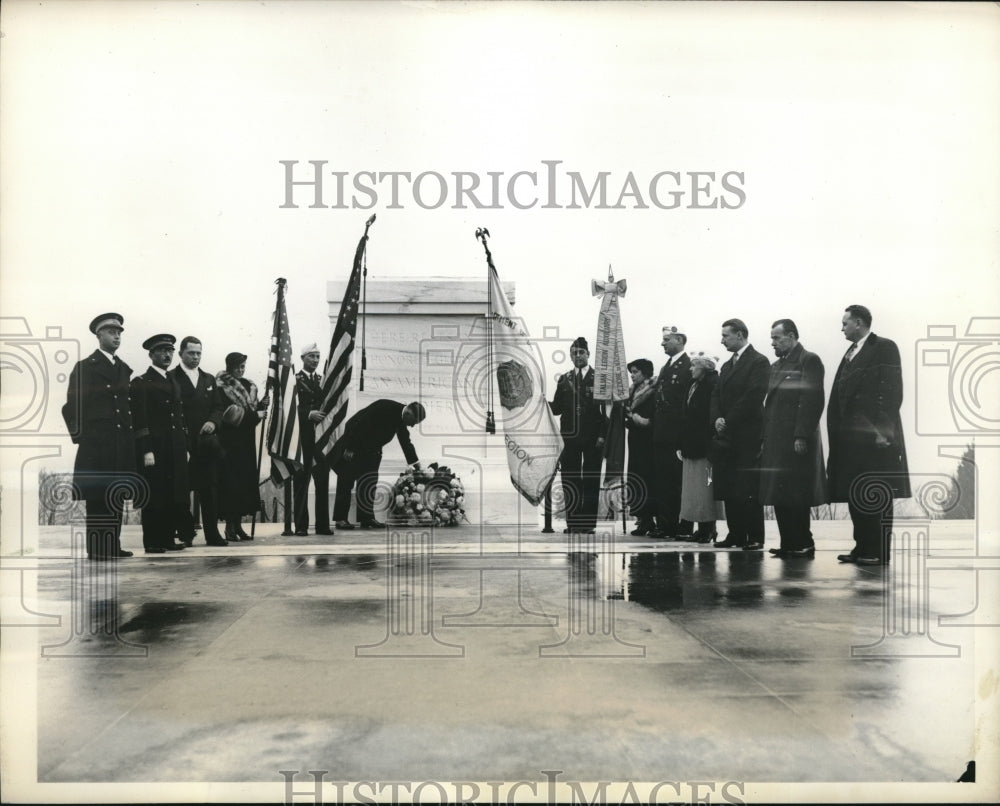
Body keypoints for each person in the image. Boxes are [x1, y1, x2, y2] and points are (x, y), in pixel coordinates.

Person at [827, 304, 910, 565]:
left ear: (859, 323)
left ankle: (877, 551)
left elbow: (892, 391)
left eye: (845, 323)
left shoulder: (884, 347)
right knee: (856, 494)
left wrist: (883, 431)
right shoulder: (850, 352)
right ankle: (862, 547)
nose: (841, 328)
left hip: (875, 440)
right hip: (851, 441)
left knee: (875, 493)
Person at [61, 313, 136, 560]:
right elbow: (71, 407)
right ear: (99, 335)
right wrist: (84, 438)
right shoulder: (85, 367)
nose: (117, 335)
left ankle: (113, 545)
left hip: (120, 442)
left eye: (119, 332)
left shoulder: (124, 369)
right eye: (111, 331)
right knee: (97, 497)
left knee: (115, 494)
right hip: (96, 444)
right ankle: (97, 549)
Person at [759, 320, 827, 558]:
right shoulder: (776, 365)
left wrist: (801, 434)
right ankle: (788, 542)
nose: (773, 342)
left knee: (797, 492)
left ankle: (803, 542)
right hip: (776, 441)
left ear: (791, 336)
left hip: (796, 439)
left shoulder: (808, 360)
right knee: (780, 493)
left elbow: (812, 399)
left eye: (776, 338)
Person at [711, 318, 770, 550]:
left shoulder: (759, 362)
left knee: (748, 488)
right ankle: (735, 534)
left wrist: (728, 420)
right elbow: (716, 395)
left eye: (726, 335)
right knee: (729, 487)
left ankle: (754, 536)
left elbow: (754, 395)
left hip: (748, 435)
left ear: (740, 334)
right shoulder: (726, 366)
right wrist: (716, 418)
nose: (722, 340)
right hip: (726, 436)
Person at [130, 334, 190, 554]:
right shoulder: (141, 383)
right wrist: (146, 449)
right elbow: (140, 418)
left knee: (172, 493)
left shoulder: (172, 381)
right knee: (155, 494)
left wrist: (184, 446)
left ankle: (167, 538)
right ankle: (154, 541)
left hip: (173, 447)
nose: (167, 355)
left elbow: (179, 417)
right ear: (151, 354)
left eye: (170, 351)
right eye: (162, 351)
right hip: (155, 448)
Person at [330, 399, 426, 529]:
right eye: (414, 422)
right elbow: (355, 423)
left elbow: (405, 442)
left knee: (368, 484)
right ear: (408, 412)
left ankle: (367, 519)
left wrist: (416, 464)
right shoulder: (383, 406)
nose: (413, 426)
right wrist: (350, 447)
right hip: (353, 449)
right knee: (346, 482)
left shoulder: (401, 419)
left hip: (372, 452)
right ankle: (341, 519)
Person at [169, 336, 228, 546]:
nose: (195, 357)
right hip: (182, 444)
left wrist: (213, 422)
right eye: (191, 353)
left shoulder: (209, 379)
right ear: (181, 354)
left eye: (198, 353)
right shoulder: (171, 377)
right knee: (183, 491)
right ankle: (185, 534)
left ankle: (213, 534)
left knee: (209, 489)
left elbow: (218, 407)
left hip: (206, 444)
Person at [550, 337, 606, 534]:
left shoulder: (599, 379)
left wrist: (602, 435)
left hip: (593, 439)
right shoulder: (564, 379)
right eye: (574, 353)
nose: (578, 356)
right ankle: (573, 523)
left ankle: (588, 523)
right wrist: (540, 403)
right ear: (571, 355)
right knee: (570, 479)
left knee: (591, 479)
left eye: (581, 352)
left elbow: (606, 412)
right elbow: (556, 409)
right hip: (570, 438)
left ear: (588, 354)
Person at [212, 352, 269, 542]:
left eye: (243, 366)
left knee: (244, 485)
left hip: (246, 443)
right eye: (237, 366)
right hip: (230, 443)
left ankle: (238, 526)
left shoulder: (248, 386)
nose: (241, 370)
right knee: (232, 485)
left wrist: (261, 405)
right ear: (229, 367)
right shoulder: (222, 386)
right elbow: (231, 416)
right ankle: (229, 527)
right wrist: (256, 415)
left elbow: (250, 413)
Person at [650, 325, 693, 539]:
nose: (663, 343)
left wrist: (683, 438)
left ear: (679, 339)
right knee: (664, 481)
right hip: (662, 434)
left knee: (678, 482)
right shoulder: (667, 367)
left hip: (677, 435)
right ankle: (666, 524)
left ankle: (682, 526)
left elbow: (687, 405)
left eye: (667, 339)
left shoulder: (688, 366)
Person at [678, 352, 724, 543]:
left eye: (693, 365)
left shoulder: (712, 384)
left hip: (704, 444)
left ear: (704, 367)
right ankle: (701, 527)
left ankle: (708, 527)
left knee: (705, 488)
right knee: (695, 489)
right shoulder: (694, 384)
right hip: (692, 443)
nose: (690, 368)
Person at [293, 343, 332, 536]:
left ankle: (323, 525)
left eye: (318, 356)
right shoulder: (295, 380)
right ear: (303, 358)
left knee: (322, 482)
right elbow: (289, 410)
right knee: (301, 483)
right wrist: (308, 414)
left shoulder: (323, 381)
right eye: (312, 356)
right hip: (303, 440)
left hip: (321, 441)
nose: (315, 360)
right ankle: (301, 526)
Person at [624, 358, 656, 536]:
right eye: (632, 372)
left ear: (645, 373)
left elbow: (651, 418)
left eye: (635, 372)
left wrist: (634, 417)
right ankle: (642, 518)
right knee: (636, 477)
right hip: (635, 439)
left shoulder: (652, 390)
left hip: (647, 440)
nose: (632, 375)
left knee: (647, 477)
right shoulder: (633, 391)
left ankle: (648, 519)